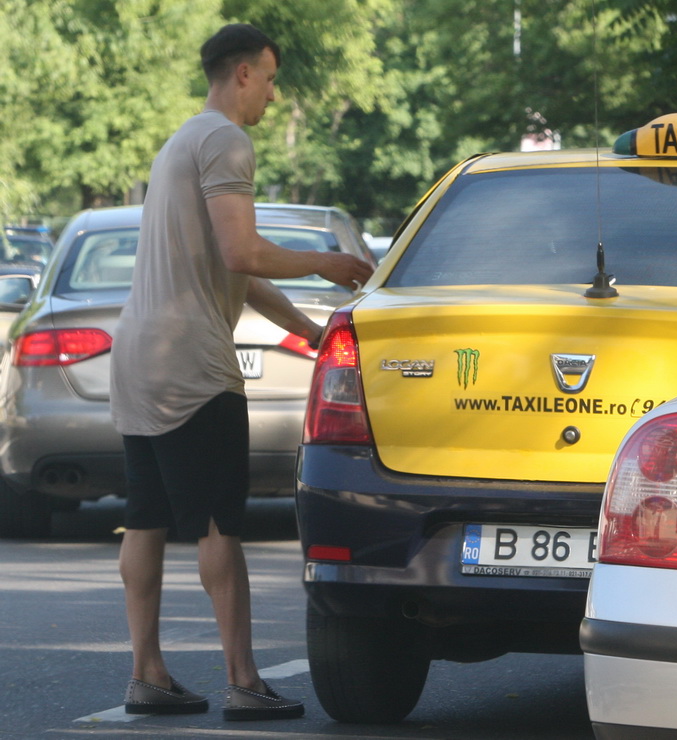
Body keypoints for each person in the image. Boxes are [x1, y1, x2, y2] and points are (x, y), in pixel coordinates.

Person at [109, 23, 374, 721]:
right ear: (244, 74)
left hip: (136, 358)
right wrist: (326, 263)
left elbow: (236, 275)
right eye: (271, 77)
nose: (274, 93)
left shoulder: (180, 141)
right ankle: (243, 679)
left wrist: (310, 330)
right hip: (192, 366)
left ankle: (147, 674)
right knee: (221, 521)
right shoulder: (228, 139)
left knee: (145, 517)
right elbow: (242, 253)